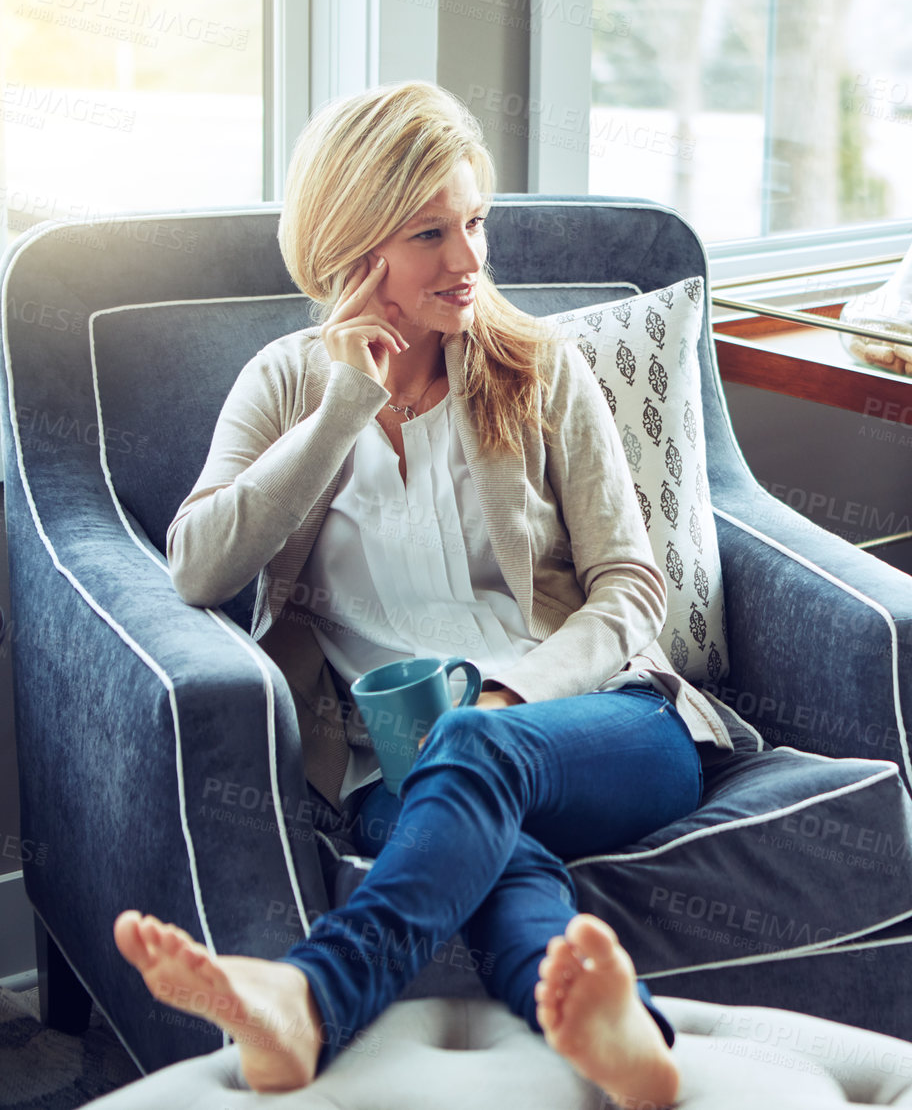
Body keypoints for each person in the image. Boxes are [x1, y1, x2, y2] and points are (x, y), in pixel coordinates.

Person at [110, 80, 743, 1110]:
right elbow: (197, 563)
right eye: (430, 231)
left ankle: (308, 998)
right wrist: (341, 406)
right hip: (391, 761)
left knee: (475, 747)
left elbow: (631, 585)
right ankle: (619, 1036)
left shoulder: (539, 367)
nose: (470, 259)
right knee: (506, 868)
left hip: (605, 720)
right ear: (357, 249)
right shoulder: (284, 383)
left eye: (474, 222)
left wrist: (506, 698)